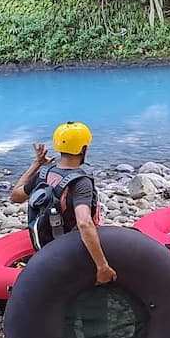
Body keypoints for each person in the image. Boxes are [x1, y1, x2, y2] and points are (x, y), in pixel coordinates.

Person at [9, 122, 116, 285]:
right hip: (72, 250)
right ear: (83, 149)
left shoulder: (44, 173)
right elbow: (85, 223)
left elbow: (15, 196)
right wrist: (102, 266)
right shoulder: (81, 182)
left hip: (47, 246)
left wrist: (36, 164)